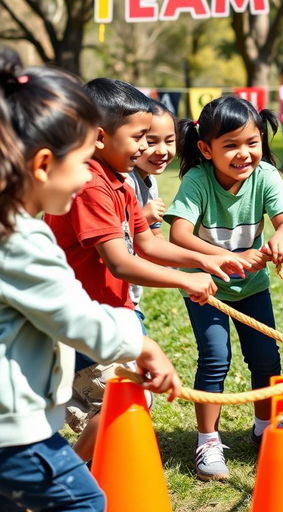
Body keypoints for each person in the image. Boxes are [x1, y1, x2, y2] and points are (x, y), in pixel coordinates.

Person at [0, 66, 181, 512]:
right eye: (82, 163)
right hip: (16, 437)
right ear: (44, 165)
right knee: (84, 502)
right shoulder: (23, 241)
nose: (87, 178)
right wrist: (142, 344)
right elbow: (74, 316)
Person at [45, 78, 245, 463]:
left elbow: (148, 244)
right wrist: (186, 280)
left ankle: (78, 466)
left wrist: (206, 259)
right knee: (121, 401)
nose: (143, 145)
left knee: (128, 400)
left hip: (111, 313)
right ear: (100, 136)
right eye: (138, 136)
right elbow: (121, 261)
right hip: (81, 318)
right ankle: (68, 476)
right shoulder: (89, 185)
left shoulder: (120, 182)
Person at [165, 95, 283, 481]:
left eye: (251, 143)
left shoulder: (267, 176)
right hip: (205, 288)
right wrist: (222, 258)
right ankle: (207, 440)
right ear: (206, 149)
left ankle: (263, 427)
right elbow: (179, 233)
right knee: (215, 358)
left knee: (266, 360)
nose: (244, 154)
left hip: (253, 288)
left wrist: (282, 239)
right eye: (230, 146)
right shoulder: (197, 180)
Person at [125, 98, 177, 312]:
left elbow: (155, 239)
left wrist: (184, 268)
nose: (162, 150)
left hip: (130, 294)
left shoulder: (150, 181)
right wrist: (142, 216)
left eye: (170, 141)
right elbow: (112, 230)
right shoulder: (124, 179)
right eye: (151, 141)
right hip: (105, 298)